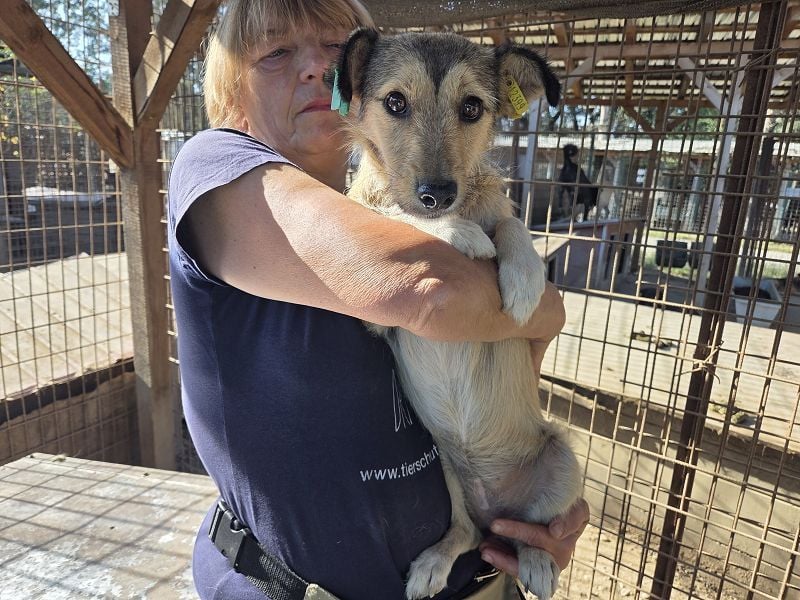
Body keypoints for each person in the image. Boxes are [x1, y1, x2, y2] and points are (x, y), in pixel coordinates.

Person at [167, 1, 589, 598]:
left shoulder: (407, 195)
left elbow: (527, 333)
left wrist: (535, 510)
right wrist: (529, 302)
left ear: (353, 81)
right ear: (233, 84)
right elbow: (436, 293)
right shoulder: (216, 167)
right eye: (275, 52)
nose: (314, 67)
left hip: (480, 569)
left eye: (334, 48)